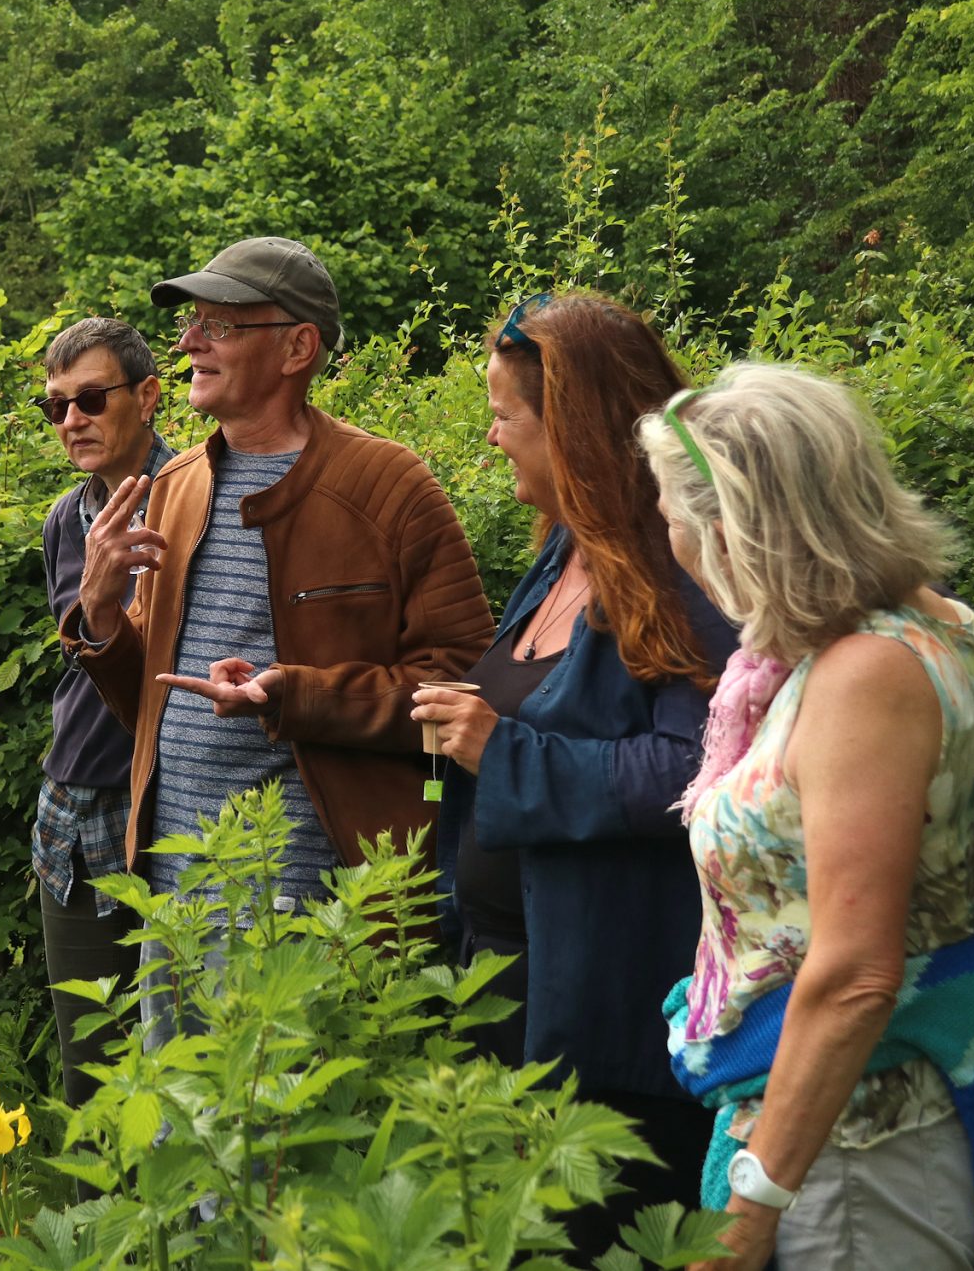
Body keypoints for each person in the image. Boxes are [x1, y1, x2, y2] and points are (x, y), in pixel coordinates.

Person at [641, 365, 974, 1271]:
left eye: (670, 516)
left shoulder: (868, 677)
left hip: (862, 1159)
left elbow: (856, 973)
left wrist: (752, 1210)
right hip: (840, 1142)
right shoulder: (917, 628)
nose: (670, 543)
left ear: (733, 528)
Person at [62, 236, 495, 1043]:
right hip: (173, 890)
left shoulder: (389, 487)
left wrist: (296, 695)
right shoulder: (176, 485)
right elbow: (149, 704)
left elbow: (464, 684)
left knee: (290, 1120)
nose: (189, 343)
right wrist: (100, 617)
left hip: (315, 899)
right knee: (186, 1116)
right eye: (192, 323)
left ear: (298, 347)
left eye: (220, 325)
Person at [408, 292, 735, 1258]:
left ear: (573, 427)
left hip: (613, 1024)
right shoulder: (562, 552)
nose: (491, 435)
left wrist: (503, 751)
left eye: (504, 413)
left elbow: (701, 764)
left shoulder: (676, 567)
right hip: (509, 990)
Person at [32, 317, 173, 1105]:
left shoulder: (195, 493)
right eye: (56, 406)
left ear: (147, 396)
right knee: (91, 1067)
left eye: (90, 399)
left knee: (180, 1061)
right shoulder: (65, 517)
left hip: (165, 800)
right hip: (73, 807)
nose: (72, 421)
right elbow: (79, 658)